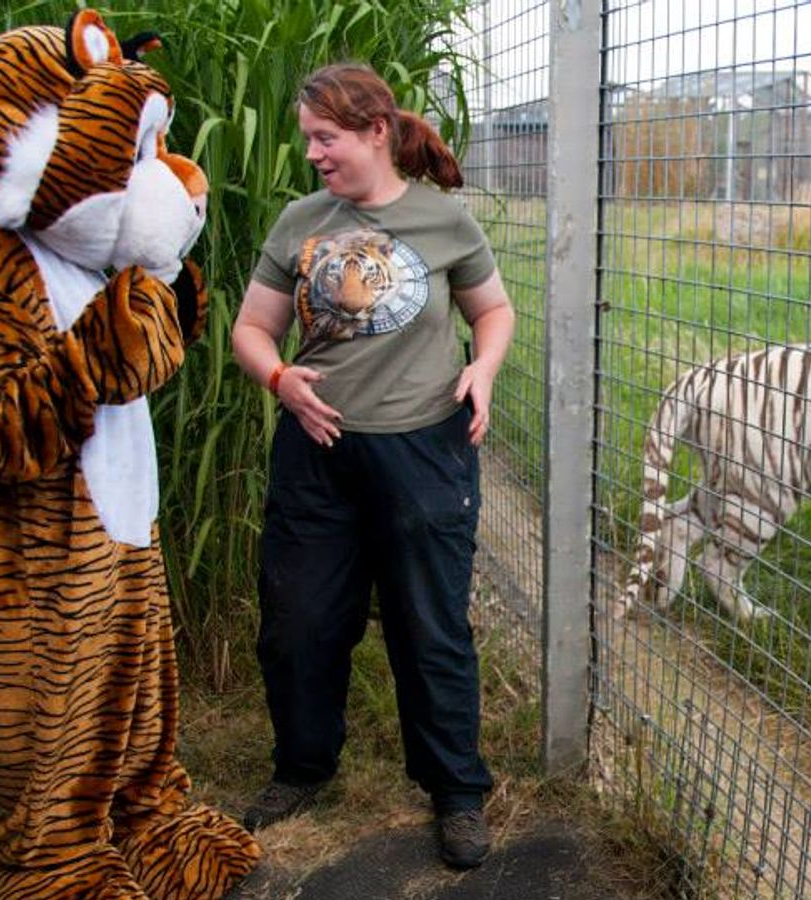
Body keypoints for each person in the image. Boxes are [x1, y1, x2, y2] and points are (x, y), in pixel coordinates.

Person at [231, 62, 514, 871]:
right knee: (298, 622)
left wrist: (483, 368)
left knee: (430, 625)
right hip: (316, 452)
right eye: (308, 141)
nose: (315, 154)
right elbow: (252, 330)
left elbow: (492, 310)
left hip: (424, 447)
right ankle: (302, 767)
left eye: (326, 138)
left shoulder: (445, 221)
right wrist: (281, 379)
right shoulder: (299, 222)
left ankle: (456, 791)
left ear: (375, 132)